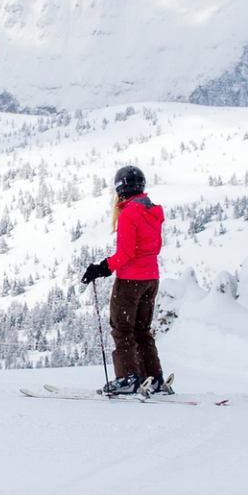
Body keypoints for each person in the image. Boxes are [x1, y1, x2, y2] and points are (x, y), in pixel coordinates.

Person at [81, 165, 171, 397]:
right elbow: (153, 248)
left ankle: (128, 378)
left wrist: (101, 268)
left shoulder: (130, 213)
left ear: (120, 188)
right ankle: (154, 378)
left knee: (122, 329)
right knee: (142, 331)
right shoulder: (153, 211)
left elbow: (126, 253)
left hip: (131, 281)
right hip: (152, 278)